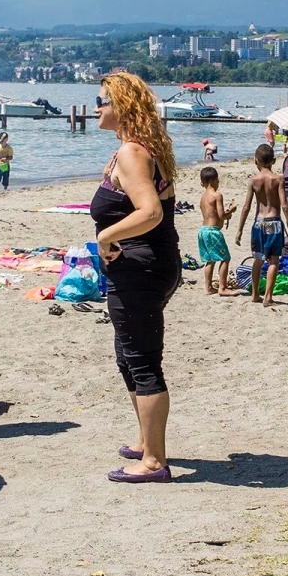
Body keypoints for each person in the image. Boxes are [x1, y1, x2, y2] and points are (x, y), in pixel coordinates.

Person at [91, 72, 183, 482]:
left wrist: (106, 234)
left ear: (122, 107)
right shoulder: (140, 148)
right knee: (127, 356)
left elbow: (151, 212)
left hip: (141, 269)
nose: (96, 108)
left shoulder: (132, 153)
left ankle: (154, 462)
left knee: (142, 361)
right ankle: (148, 442)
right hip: (148, 265)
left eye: (102, 101)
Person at [234, 143, 287, 308]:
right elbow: (284, 205)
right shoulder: (278, 179)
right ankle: (268, 297)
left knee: (257, 259)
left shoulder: (253, 181)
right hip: (274, 221)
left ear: (255, 161)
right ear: (274, 160)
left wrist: (239, 230)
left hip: (259, 223)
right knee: (273, 261)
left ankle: (255, 294)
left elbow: (246, 207)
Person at [196, 166, 237, 297]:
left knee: (210, 259)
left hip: (203, 230)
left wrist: (226, 214)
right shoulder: (217, 195)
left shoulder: (203, 197)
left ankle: (208, 288)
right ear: (215, 181)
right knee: (225, 258)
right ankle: (222, 287)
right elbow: (221, 216)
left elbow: (211, 214)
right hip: (213, 232)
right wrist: (231, 211)